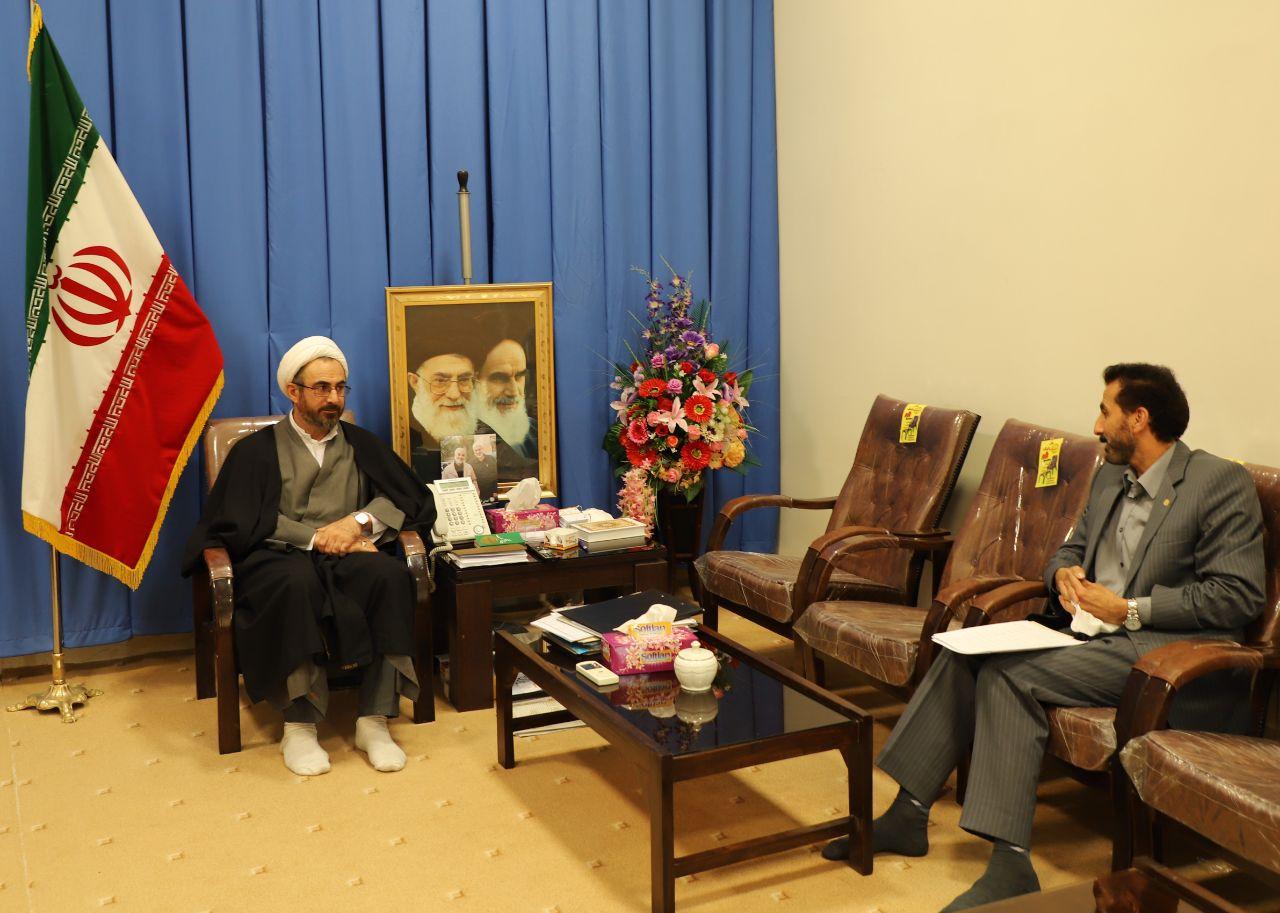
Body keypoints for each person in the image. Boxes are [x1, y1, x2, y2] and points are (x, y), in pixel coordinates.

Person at [820, 363, 1266, 911]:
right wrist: (1062, 576)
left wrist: (1130, 609)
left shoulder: (1216, 483)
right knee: (962, 653)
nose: (1096, 426)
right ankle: (908, 814)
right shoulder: (1109, 477)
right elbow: (1070, 550)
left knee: (1010, 675)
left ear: (1139, 418)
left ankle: (1011, 865)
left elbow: (1237, 596)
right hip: (1089, 633)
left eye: (1105, 411)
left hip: (1164, 654)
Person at [183, 337, 436, 777]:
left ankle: (374, 720)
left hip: (350, 551)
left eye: (340, 388)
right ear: (293, 391)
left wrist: (356, 524)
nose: (333, 398)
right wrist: (316, 538)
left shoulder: (362, 444)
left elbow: (407, 499)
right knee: (294, 584)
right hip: (278, 555)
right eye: (321, 388)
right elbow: (242, 520)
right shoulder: (256, 451)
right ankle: (299, 725)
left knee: (388, 576)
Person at [475, 338, 537, 462]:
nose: (513, 391)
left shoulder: (536, 430)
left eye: (519, 376)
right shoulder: (466, 436)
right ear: (476, 382)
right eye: (500, 378)